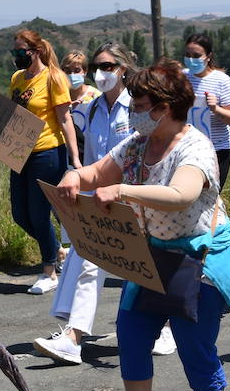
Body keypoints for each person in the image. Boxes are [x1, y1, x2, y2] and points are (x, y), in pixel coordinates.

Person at [56, 58, 230, 391]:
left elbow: (182, 196)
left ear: (164, 106)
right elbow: (97, 172)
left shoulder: (195, 147)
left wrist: (123, 191)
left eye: (140, 105)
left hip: (200, 259)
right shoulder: (139, 143)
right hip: (151, 256)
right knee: (133, 333)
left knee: (195, 344)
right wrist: (76, 177)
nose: (135, 112)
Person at [33, 42, 177, 362]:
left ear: (124, 69)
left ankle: (166, 326)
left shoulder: (139, 107)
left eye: (108, 66)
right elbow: (92, 160)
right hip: (100, 202)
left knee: (146, 269)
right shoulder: (94, 108)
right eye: (97, 66)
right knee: (89, 261)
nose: (101, 72)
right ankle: (74, 336)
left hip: (137, 200)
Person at [3, 28, 81, 294]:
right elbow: (13, 116)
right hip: (20, 153)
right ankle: (58, 251)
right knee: (20, 215)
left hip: (47, 152)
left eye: (20, 51)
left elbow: (65, 119)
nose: (16, 56)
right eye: (14, 51)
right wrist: (0, 146)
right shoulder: (17, 78)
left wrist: (75, 158)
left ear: (35, 51)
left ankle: (49, 271)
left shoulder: (54, 78)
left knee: (38, 213)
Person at [183, 33, 230, 191]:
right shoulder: (181, 78)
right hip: (186, 148)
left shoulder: (223, 81)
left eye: (196, 56)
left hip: (217, 150)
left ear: (208, 56)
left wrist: (216, 109)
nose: (191, 59)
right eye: (187, 55)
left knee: (210, 197)